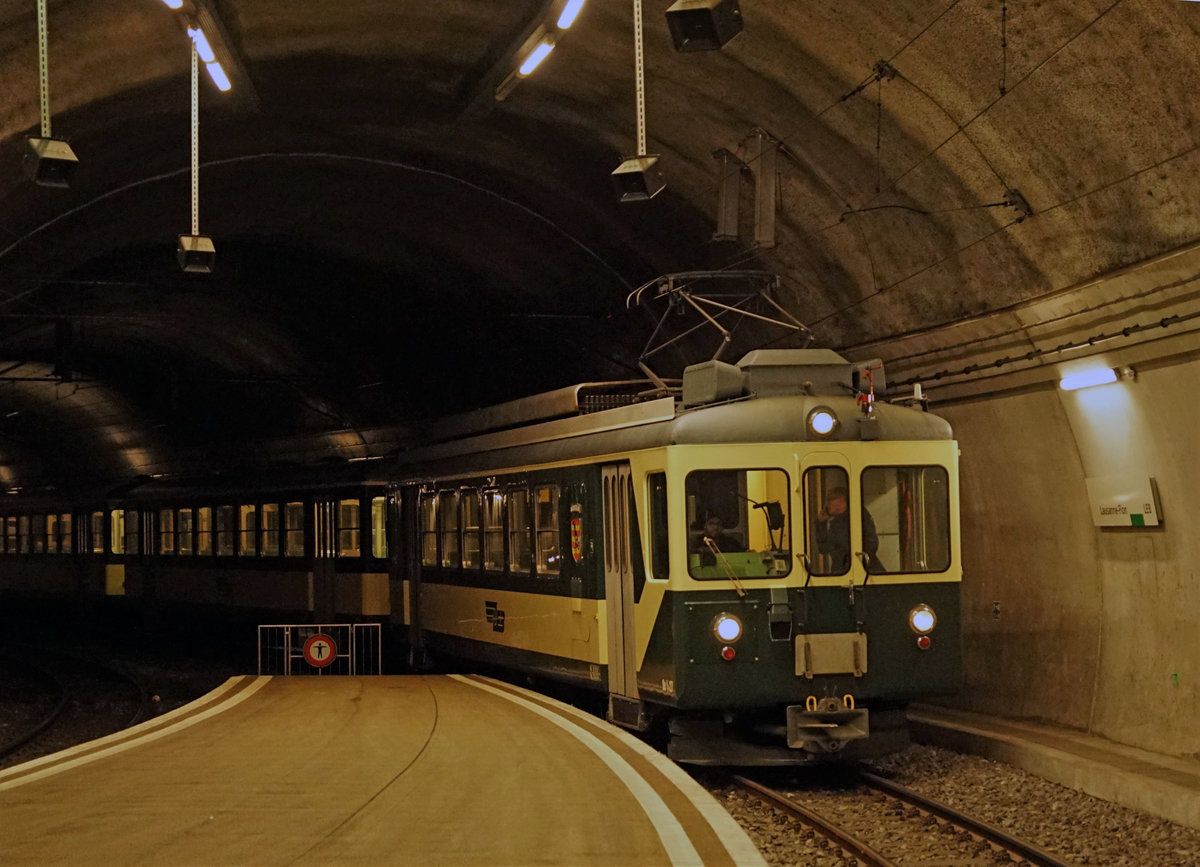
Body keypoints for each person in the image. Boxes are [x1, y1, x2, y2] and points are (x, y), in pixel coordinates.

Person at [815, 486, 883, 573]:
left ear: (841, 500)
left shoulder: (858, 514)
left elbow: (871, 543)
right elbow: (822, 548)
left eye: (829, 500)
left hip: (865, 570)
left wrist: (850, 560)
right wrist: (820, 523)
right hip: (841, 570)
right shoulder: (830, 521)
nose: (827, 504)